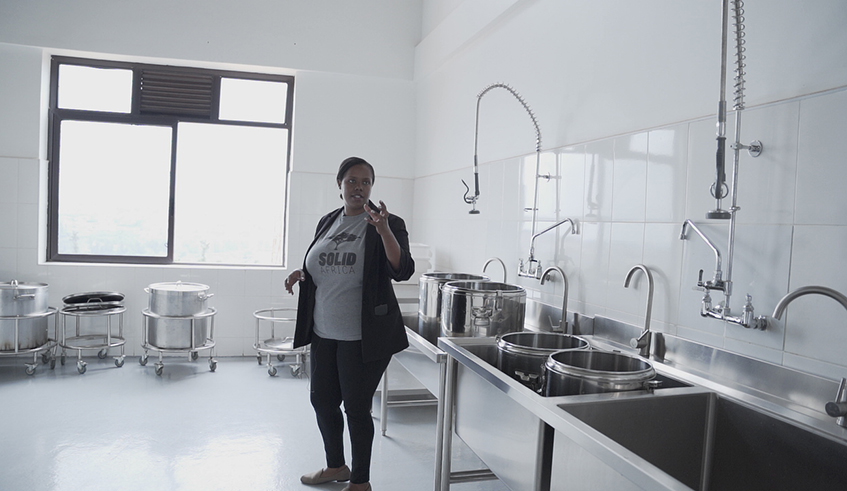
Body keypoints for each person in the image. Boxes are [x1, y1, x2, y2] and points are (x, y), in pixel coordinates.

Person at [285, 156, 414, 491]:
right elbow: (322, 262)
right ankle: (336, 467)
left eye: (366, 181)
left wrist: (383, 229)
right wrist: (304, 274)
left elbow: (402, 270)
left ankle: (360, 481)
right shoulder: (329, 220)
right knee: (322, 401)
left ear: (372, 186)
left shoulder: (388, 223)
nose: (359, 187)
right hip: (324, 330)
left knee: (356, 408)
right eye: (352, 181)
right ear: (340, 186)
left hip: (363, 336)